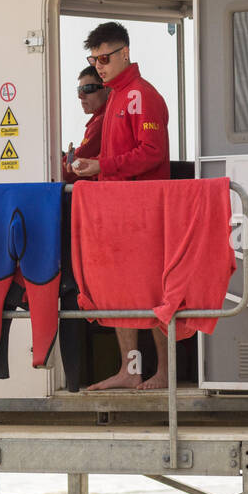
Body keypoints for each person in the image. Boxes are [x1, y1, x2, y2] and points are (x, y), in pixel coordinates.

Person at [70, 21, 173, 390]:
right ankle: (131, 370)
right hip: (117, 213)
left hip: (144, 213)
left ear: (125, 53)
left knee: (153, 293)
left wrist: (102, 166)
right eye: (94, 59)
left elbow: (152, 152)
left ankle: (163, 372)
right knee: (119, 291)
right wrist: (91, 168)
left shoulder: (141, 95)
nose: (99, 65)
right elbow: (117, 156)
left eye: (105, 58)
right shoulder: (115, 96)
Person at [61, 65, 109, 183]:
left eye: (88, 88)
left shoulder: (100, 123)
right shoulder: (103, 119)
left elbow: (68, 172)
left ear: (107, 88)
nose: (80, 96)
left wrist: (64, 161)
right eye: (79, 90)